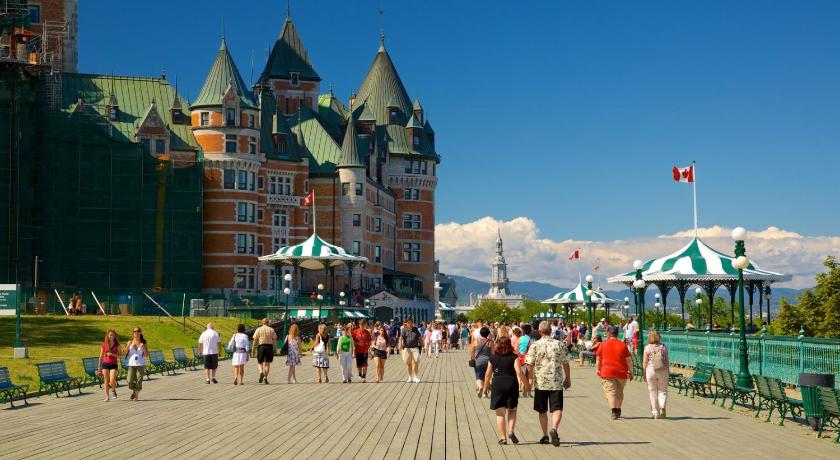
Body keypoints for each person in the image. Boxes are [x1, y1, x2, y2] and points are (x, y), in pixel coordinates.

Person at [524, 321, 571, 447]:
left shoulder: (535, 345)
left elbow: (529, 365)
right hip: (556, 382)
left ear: (539, 331)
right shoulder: (559, 344)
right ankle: (554, 429)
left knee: (542, 410)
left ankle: (545, 435)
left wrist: (529, 380)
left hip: (540, 383)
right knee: (557, 408)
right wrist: (568, 378)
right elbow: (566, 363)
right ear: (551, 331)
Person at [483, 336, 521, 444]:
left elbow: (487, 375)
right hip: (511, 384)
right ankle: (511, 431)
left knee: (500, 413)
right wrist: (526, 384)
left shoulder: (493, 357)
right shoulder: (514, 357)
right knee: (512, 410)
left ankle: (503, 438)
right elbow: (519, 372)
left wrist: (486, 387)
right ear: (510, 345)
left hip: (497, 384)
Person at [595, 325, 633, 420]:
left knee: (611, 392)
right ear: (617, 333)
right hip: (621, 372)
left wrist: (598, 369)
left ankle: (614, 411)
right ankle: (618, 409)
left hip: (607, 371)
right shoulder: (623, 345)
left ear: (609, 333)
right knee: (619, 392)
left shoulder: (603, 344)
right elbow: (628, 360)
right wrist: (631, 372)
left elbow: (598, 359)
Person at [643, 330, 670, 419]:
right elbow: (667, 361)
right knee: (662, 391)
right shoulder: (664, 347)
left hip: (650, 371)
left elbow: (645, 362)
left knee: (652, 392)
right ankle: (662, 406)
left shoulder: (647, 348)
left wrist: (644, 373)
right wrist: (667, 371)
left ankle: (655, 413)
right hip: (663, 371)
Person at [125, 327, 149, 401]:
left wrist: (143, 347)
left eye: (138, 331)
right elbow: (124, 353)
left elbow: (146, 355)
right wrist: (128, 346)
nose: (136, 332)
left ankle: (136, 396)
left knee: (139, 380)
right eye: (135, 331)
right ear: (133, 333)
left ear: (140, 332)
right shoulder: (130, 342)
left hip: (140, 364)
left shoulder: (144, 342)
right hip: (131, 364)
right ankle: (135, 390)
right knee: (129, 381)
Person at [470, 326, 493, 398]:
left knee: (479, 376)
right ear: (488, 334)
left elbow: (471, 351)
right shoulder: (490, 342)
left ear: (480, 333)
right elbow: (493, 353)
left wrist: (472, 359)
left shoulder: (476, 342)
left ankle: (480, 387)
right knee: (487, 376)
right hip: (488, 362)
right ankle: (485, 393)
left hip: (478, 362)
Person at [98, 329, 120, 401]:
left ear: (115, 336)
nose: (111, 336)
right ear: (107, 335)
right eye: (110, 335)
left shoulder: (117, 344)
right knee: (106, 380)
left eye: (113, 335)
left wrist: (112, 354)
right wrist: (99, 367)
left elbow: (119, 355)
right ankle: (107, 396)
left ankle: (113, 390)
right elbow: (101, 356)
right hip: (105, 364)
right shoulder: (104, 344)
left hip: (113, 364)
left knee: (112, 380)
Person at [399, 318, 422, 383]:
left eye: (411, 322)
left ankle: (416, 377)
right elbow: (401, 338)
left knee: (416, 361)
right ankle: (410, 377)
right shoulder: (404, 330)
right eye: (408, 322)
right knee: (408, 363)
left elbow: (419, 337)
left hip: (415, 348)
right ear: (406, 323)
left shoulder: (415, 329)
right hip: (407, 348)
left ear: (412, 323)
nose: (410, 324)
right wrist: (400, 344)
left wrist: (422, 344)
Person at [515, 326, 534, 398]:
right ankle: (529, 393)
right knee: (530, 376)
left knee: (521, 375)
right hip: (530, 358)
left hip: (521, 358)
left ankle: (522, 390)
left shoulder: (520, 338)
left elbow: (516, 348)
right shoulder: (531, 339)